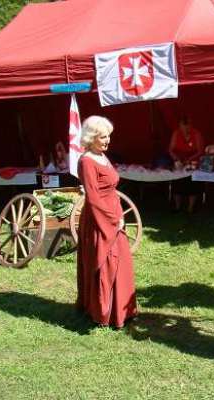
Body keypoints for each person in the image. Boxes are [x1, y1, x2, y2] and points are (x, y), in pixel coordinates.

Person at [76, 116, 137, 328]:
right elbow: (92, 197)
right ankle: (103, 312)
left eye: (109, 135)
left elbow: (110, 188)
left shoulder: (102, 156)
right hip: (99, 218)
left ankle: (122, 310)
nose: (108, 140)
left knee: (121, 262)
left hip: (114, 213)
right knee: (106, 262)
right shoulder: (86, 161)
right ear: (92, 138)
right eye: (103, 136)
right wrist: (112, 220)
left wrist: (118, 215)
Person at [168, 115, 204, 214]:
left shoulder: (196, 134)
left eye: (188, 125)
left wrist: (189, 159)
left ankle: (190, 208)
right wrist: (176, 159)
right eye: (183, 126)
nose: (186, 128)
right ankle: (177, 207)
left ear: (191, 125)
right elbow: (171, 150)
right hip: (179, 160)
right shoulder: (176, 133)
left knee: (192, 182)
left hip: (193, 160)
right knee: (177, 181)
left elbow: (200, 151)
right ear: (180, 125)